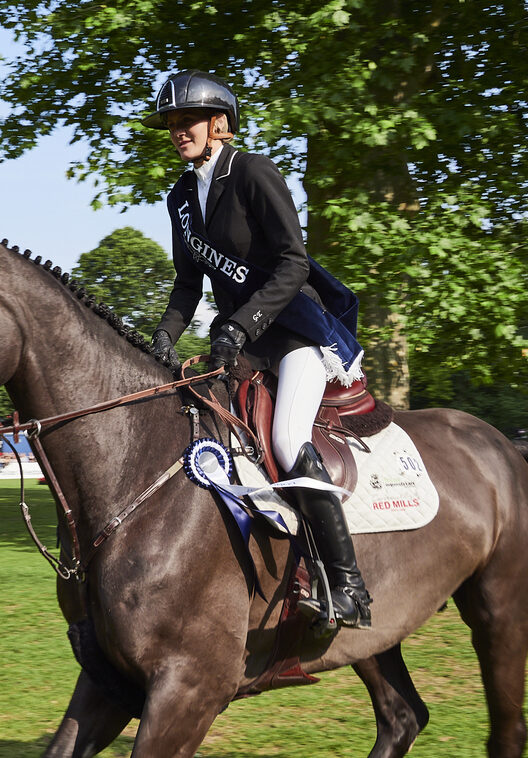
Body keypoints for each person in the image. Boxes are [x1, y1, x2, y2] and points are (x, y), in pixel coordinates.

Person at [142, 69, 371, 632]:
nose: (178, 130)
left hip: (295, 332)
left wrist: (241, 325)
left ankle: (347, 585)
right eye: (171, 122)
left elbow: (293, 262)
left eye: (187, 119)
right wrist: (165, 336)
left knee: (288, 440)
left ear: (218, 123)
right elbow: (187, 285)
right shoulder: (179, 198)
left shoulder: (253, 172)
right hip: (239, 342)